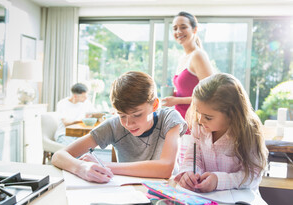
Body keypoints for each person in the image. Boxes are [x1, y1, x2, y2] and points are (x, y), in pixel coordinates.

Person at [52, 71, 187, 183]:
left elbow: (166, 168)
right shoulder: (114, 125)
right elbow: (58, 156)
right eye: (122, 115)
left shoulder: (169, 118)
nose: (128, 123)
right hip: (129, 192)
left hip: (167, 194)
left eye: (137, 114)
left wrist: (105, 166)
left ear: (155, 105)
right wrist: (81, 167)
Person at [175, 73, 268, 193]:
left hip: (240, 202)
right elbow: (193, 158)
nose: (200, 120)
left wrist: (218, 181)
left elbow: (252, 175)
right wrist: (189, 173)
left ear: (232, 114)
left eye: (208, 117)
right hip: (206, 197)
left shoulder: (248, 132)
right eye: (198, 112)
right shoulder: (200, 126)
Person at [161, 11, 213, 164]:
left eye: (183, 27)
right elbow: (190, 89)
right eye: (175, 28)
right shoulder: (183, 57)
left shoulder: (198, 55)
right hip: (183, 123)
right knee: (185, 170)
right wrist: (174, 95)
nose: (178, 32)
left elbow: (210, 95)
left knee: (192, 171)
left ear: (194, 30)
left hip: (197, 123)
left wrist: (176, 100)